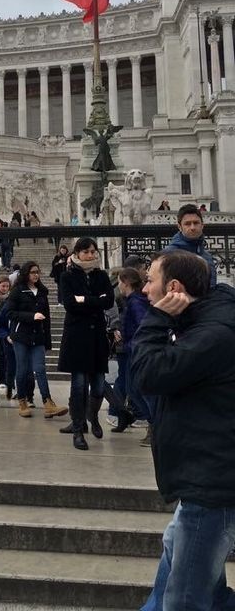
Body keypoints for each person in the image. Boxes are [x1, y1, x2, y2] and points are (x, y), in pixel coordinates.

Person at [131, 251, 235, 610]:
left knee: (183, 599)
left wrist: (157, 318)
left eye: (151, 281)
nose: (144, 289)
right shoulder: (205, 319)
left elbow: (147, 374)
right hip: (202, 478)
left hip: (211, 484)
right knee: (183, 582)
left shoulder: (212, 334)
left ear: (173, 288)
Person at [58, 237, 114, 451]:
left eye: (93, 252)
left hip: (97, 335)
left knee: (99, 385)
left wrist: (85, 300)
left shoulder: (101, 275)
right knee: (79, 384)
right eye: (86, 252)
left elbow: (108, 300)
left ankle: (93, 416)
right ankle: (79, 429)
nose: (91, 255)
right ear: (78, 253)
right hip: (77, 336)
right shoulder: (67, 276)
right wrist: (93, 300)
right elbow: (70, 303)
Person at [6, 262, 68, 420]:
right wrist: (31, 316)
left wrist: (47, 341)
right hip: (21, 336)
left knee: (40, 369)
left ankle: (48, 403)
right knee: (22, 369)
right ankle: (22, 401)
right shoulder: (17, 291)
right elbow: (10, 313)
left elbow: (46, 318)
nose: (36, 275)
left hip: (37, 336)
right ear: (26, 273)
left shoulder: (42, 292)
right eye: (33, 272)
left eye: (37, 272)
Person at [110, 267, 150, 436]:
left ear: (126, 283)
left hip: (135, 350)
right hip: (130, 349)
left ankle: (152, 423)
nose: (118, 285)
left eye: (119, 282)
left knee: (134, 389)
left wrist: (133, 343)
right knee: (130, 386)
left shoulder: (136, 302)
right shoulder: (132, 300)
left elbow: (143, 325)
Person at [163, 203, 216, 286]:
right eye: (187, 224)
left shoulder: (207, 256)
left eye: (196, 223)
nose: (192, 228)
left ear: (202, 225)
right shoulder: (168, 255)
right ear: (179, 227)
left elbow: (212, 287)